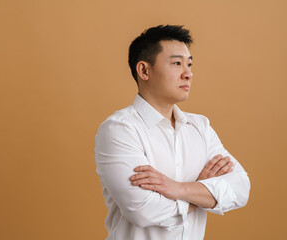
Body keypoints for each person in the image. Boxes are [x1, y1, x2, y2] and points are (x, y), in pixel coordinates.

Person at [94, 25, 250, 240]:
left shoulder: (200, 127)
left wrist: (178, 189)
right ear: (144, 70)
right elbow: (144, 211)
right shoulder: (119, 130)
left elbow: (240, 189)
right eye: (177, 63)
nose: (188, 74)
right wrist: (201, 189)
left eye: (190, 64)